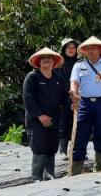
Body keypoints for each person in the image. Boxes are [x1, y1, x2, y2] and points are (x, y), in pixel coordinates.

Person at [69, 36, 101, 175]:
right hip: (84, 104)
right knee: (80, 135)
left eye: (93, 48)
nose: (90, 51)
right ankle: (75, 172)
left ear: (100, 49)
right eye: (87, 49)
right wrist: (73, 93)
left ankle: (98, 167)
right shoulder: (78, 66)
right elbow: (74, 83)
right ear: (84, 51)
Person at [23, 47, 71, 181]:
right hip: (36, 121)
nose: (47, 62)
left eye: (49, 60)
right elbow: (28, 98)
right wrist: (40, 116)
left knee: (51, 147)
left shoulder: (58, 79)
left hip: (54, 119)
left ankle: (49, 174)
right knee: (39, 147)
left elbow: (64, 98)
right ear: (38, 62)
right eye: (44, 60)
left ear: (54, 62)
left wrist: (72, 103)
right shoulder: (32, 77)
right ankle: (36, 176)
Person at [56, 38, 80, 157]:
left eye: (73, 47)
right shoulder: (58, 63)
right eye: (68, 47)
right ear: (64, 49)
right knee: (63, 124)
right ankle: (63, 150)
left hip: (78, 97)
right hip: (63, 98)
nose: (71, 50)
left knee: (78, 124)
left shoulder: (80, 62)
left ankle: (76, 150)